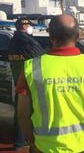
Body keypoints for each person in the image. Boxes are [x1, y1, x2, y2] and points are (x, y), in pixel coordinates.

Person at [16, 14, 84, 153]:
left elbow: (22, 114)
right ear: (78, 35)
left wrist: (31, 142)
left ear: (51, 36)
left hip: (47, 146)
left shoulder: (31, 67)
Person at [7, 17, 44, 150]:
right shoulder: (27, 41)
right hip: (30, 81)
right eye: (30, 26)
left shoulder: (13, 41)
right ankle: (26, 141)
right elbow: (42, 56)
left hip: (18, 80)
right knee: (31, 112)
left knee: (20, 111)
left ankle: (19, 141)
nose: (31, 28)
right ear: (24, 26)